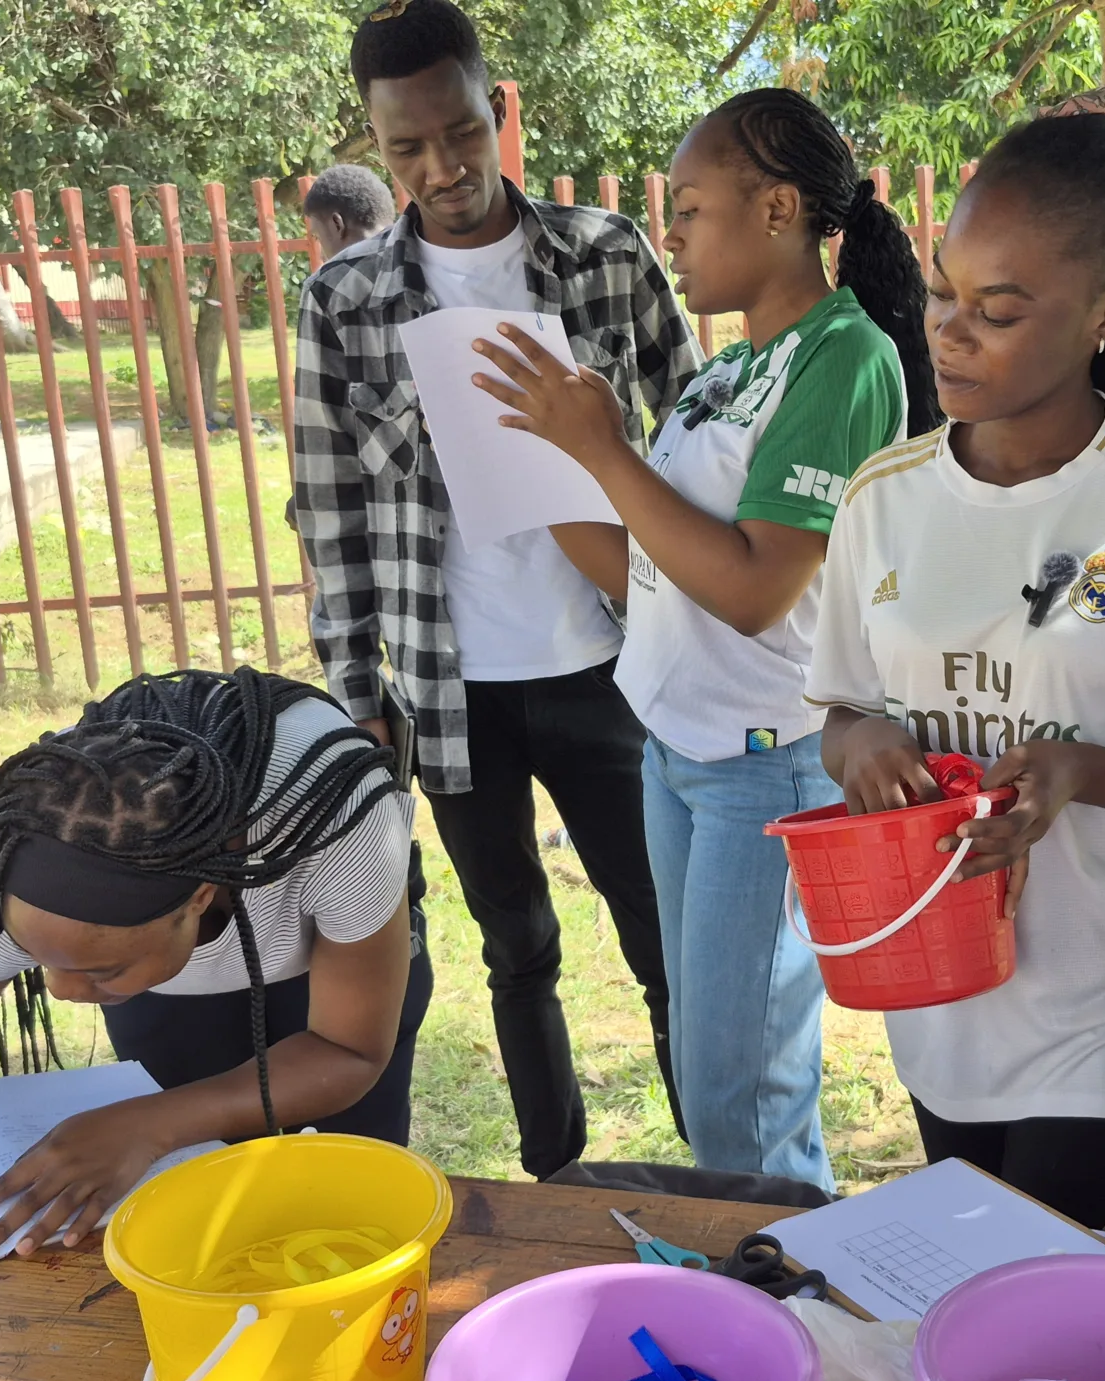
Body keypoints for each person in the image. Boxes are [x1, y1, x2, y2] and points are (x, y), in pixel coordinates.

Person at [474, 88, 935, 1190]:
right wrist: (532, 465)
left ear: (777, 209)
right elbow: (652, 580)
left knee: (741, 1105)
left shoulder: (844, 359)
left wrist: (605, 450)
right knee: (712, 1072)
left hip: (766, 768)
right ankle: (771, 1292)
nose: (669, 234)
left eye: (688, 208)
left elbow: (753, 589)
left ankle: (795, 1322)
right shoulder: (723, 376)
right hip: (675, 753)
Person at [292, 0, 699, 1179]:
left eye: (460, 133)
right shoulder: (345, 300)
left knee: (659, 934)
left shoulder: (606, 255)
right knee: (513, 945)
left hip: (615, 660)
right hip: (447, 680)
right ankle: (555, 1179)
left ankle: (711, 1169)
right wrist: (352, 685)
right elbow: (333, 514)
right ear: (375, 145)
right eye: (407, 148)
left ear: (496, 109)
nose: (442, 168)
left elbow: (700, 428)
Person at [800, 86, 1105, 1229]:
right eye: (939, 291)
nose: (947, 330)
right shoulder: (881, 500)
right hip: (935, 1007)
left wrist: (1082, 773)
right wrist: (863, 740)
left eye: (998, 308)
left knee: (1042, 1336)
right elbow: (839, 713)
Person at [0, 668, 425, 1259]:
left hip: (337, 973)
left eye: (100, 972)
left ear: (199, 900)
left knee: (347, 1201)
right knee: (203, 1215)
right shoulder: (23, 858)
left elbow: (349, 1051)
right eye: (40, 958)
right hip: (167, 986)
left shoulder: (339, 823)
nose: (65, 992)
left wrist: (148, 1124)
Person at [303, 163, 397, 263]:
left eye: (318, 237)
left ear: (337, 224)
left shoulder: (333, 276)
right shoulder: (410, 255)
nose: (322, 256)